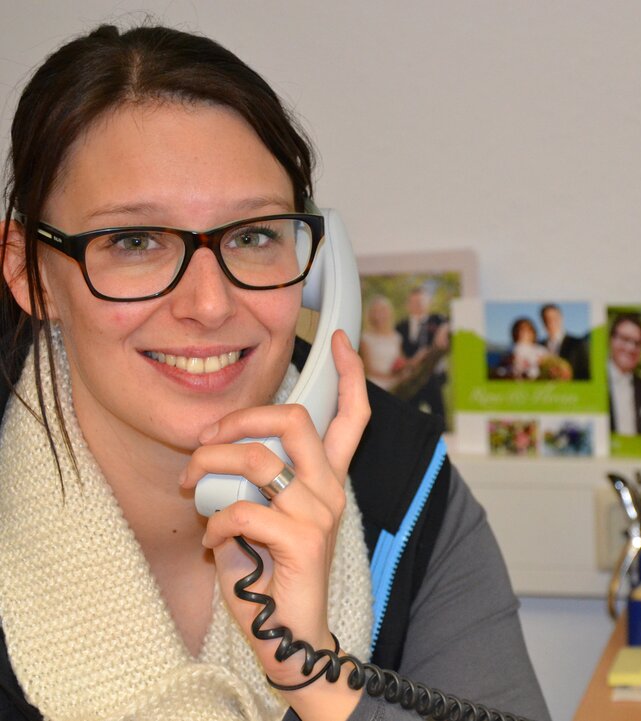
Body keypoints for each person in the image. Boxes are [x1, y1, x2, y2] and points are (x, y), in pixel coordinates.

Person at [0, 23, 549, 721]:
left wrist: (321, 677)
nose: (207, 303)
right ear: (27, 272)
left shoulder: (401, 485)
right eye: (134, 241)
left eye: (253, 235)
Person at [394, 286, 449, 426]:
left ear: (428, 302)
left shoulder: (438, 320)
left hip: (433, 376)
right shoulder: (401, 326)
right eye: (414, 302)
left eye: (421, 301)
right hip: (411, 378)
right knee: (409, 413)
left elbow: (453, 323)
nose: (418, 305)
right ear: (408, 305)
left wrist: (444, 329)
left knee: (438, 413)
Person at [606, 313, 641, 435]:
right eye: (625, 339)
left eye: (637, 343)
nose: (631, 348)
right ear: (611, 340)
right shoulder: (594, 381)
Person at [358, 295, 404, 391]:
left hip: (397, 383)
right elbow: (367, 369)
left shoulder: (397, 337)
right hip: (375, 383)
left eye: (382, 311)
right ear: (370, 315)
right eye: (375, 311)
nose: (379, 315)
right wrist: (390, 378)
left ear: (389, 313)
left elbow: (400, 361)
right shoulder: (365, 338)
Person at [538, 304, 589, 380]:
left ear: (561, 318)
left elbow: (586, 374)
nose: (550, 322)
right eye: (546, 319)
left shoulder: (578, 344)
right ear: (542, 322)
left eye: (554, 318)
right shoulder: (538, 346)